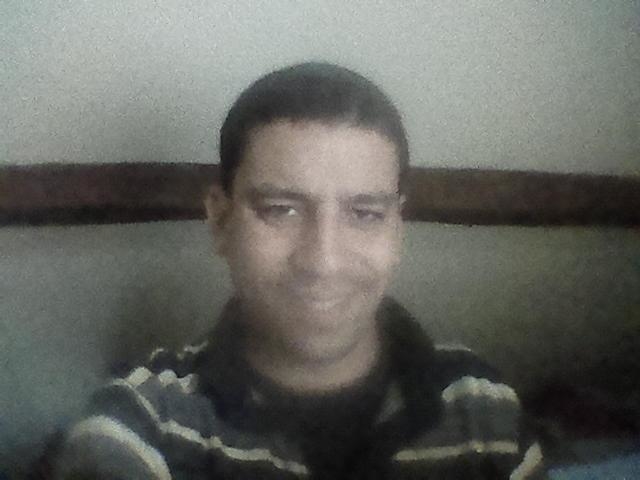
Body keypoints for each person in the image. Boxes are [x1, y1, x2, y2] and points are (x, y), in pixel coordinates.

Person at [54, 62, 546, 479]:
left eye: (365, 214)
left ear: (397, 230)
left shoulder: (483, 410)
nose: (323, 261)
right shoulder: (143, 426)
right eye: (280, 209)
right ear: (221, 221)